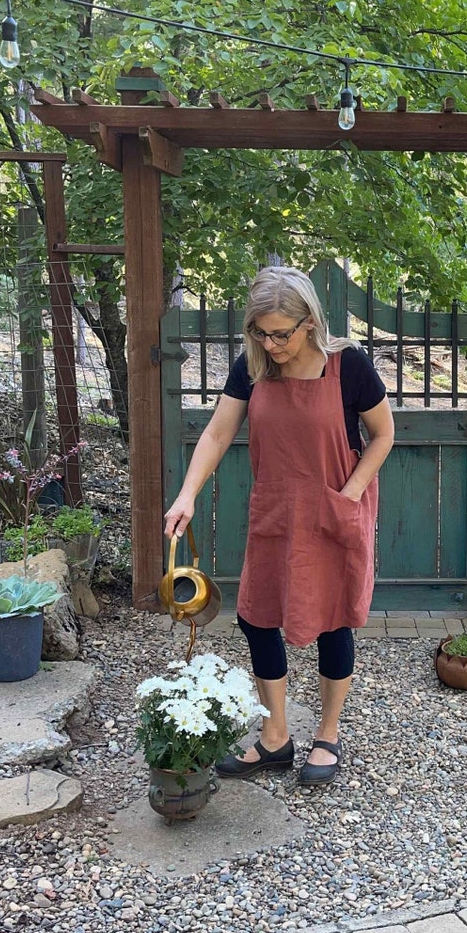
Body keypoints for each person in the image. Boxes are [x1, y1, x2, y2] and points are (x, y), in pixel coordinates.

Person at [164, 266, 395, 786]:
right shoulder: (252, 367)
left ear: (309, 322)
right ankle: (275, 738)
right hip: (275, 511)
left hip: (334, 511)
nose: (271, 343)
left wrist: (351, 493)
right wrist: (187, 495)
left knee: (333, 620)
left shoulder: (349, 365)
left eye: (281, 333)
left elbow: (384, 434)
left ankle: (328, 734)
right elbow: (218, 434)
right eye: (261, 333)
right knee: (257, 616)